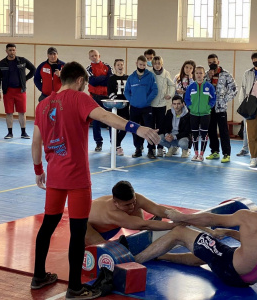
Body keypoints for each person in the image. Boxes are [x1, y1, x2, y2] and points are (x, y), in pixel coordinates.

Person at [30, 61, 159, 299]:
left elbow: (36, 141)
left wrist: (39, 169)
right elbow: (107, 117)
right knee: (78, 232)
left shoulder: (43, 104)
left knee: (48, 225)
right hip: (77, 179)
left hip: (55, 176)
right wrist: (136, 128)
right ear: (80, 80)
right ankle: (75, 288)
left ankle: (38, 276)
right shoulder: (80, 99)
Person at [134, 181, 257, 288]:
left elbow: (211, 219)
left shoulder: (249, 217)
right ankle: (163, 257)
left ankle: (135, 262)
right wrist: (229, 233)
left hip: (230, 269)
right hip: (247, 282)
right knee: (209, 252)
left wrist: (181, 217)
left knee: (180, 232)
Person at [86, 181, 178, 245]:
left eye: (133, 202)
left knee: (137, 206)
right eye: (126, 204)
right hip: (88, 229)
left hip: (108, 226)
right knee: (106, 251)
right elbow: (145, 225)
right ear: (115, 203)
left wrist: (183, 217)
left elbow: (157, 209)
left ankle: (143, 230)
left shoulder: (135, 198)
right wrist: (175, 226)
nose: (131, 206)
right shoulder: (112, 213)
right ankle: (109, 246)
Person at [0, 43, 36, 139]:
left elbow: (33, 69)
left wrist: (25, 78)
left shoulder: (22, 60)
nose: (12, 52)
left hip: (20, 91)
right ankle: (10, 133)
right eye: (10, 50)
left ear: (15, 51)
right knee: (9, 113)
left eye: (13, 50)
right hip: (8, 91)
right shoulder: (1, 63)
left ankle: (23, 132)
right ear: (6, 51)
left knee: (22, 112)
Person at [205, 54, 238, 163]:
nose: (212, 64)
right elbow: (202, 88)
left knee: (223, 130)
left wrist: (224, 100)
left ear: (218, 62)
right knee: (211, 130)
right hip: (209, 107)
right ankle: (214, 151)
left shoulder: (226, 75)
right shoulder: (206, 75)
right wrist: (208, 78)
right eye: (210, 62)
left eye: (214, 61)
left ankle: (226, 154)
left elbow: (234, 89)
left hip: (221, 108)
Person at [124, 55, 158, 159]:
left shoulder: (150, 76)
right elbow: (126, 91)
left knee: (149, 128)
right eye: (140, 64)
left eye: (144, 65)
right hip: (134, 107)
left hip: (146, 107)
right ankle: (138, 148)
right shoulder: (131, 77)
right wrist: (132, 100)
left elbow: (154, 90)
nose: (142, 66)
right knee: (134, 129)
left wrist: (147, 100)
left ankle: (151, 150)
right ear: (136, 64)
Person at [236, 51, 257, 157]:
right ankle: (245, 148)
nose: (256, 62)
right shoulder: (247, 73)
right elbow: (243, 88)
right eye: (254, 60)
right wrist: (242, 103)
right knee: (247, 128)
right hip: (250, 103)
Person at [185, 66, 216, 162]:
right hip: (193, 114)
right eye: (197, 73)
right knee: (194, 134)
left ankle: (201, 155)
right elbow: (187, 99)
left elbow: (213, 99)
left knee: (204, 134)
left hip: (205, 114)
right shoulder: (191, 86)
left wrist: (208, 107)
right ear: (194, 74)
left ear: (204, 74)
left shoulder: (209, 86)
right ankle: (196, 154)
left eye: (201, 73)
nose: (199, 75)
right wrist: (190, 107)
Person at [86, 49, 113, 152]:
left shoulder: (108, 67)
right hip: (95, 97)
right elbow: (92, 82)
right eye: (92, 56)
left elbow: (110, 80)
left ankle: (114, 142)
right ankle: (98, 143)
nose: (94, 57)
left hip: (107, 97)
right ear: (89, 58)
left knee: (110, 120)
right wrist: (103, 78)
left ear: (99, 56)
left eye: (95, 55)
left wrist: (100, 79)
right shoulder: (88, 69)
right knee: (96, 121)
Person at [151, 55, 176, 157]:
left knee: (161, 127)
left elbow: (172, 85)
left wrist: (170, 94)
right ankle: (152, 148)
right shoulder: (149, 74)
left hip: (162, 104)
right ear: (152, 64)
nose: (157, 65)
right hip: (151, 104)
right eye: (155, 63)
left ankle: (160, 148)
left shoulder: (166, 73)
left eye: (159, 63)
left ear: (162, 64)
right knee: (151, 127)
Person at [107, 58, 129, 156]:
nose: (120, 66)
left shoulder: (128, 78)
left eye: (122, 65)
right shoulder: (111, 79)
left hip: (125, 106)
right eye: (118, 65)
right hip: (115, 106)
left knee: (126, 126)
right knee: (113, 125)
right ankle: (117, 146)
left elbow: (130, 91)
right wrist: (116, 101)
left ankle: (116, 143)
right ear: (115, 67)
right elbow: (110, 92)